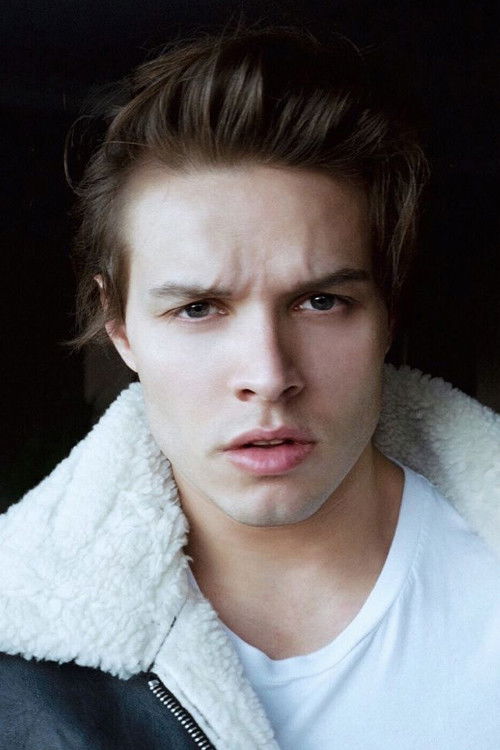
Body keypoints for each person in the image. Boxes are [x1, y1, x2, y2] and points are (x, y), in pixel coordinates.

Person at [0, 26, 499, 750]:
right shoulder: (19, 656)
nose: (268, 376)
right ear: (121, 328)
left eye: (321, 302)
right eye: (198, 309)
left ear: (388, 314)